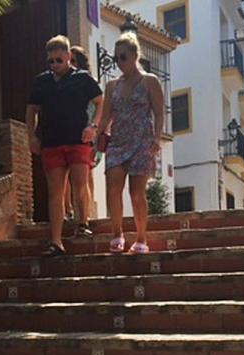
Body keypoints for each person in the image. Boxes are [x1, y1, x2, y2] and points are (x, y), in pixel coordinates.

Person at [26, 35, 103, 256]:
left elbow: (100, 101)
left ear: (69, 56)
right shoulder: (41, 81)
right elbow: (31, 110)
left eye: (59, 60)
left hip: (78, 140)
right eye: (51, 61)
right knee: (55, 193)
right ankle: (56, 241)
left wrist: (93, 127)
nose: (55, 65)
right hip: (51, 142)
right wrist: (31, 136)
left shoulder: (82, 78)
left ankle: (83, 223)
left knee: (80, 185)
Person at [95, 33, 164, 254]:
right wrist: (97, 136)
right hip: (117, 142)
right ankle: (117, 234)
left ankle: (141, 237)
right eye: (116, 59)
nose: (119, 62)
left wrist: (157, 138)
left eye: (123, 57)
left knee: (137, 193)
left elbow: (160, 113)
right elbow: (106, 116)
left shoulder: (150, 81)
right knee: (113, 189)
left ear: (135, 55)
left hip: (142, 142)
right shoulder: (111, 86)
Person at [66, 45, 99, 222]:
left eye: (73, 61)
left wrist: (94, 129)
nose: (70, 64)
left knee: (87, 174)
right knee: (67, 174)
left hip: (87, 133)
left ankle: (87, 212)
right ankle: (69, 210)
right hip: (70, 132)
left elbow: (99, 107)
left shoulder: (88, 82)